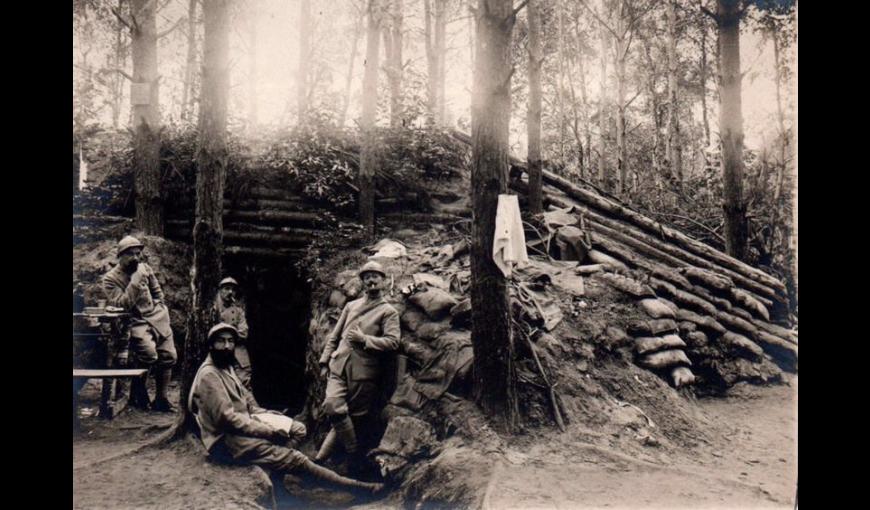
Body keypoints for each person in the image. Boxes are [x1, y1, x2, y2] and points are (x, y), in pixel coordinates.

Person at [189, 323, 383, 495]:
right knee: (296, 457)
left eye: (231, 341)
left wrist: (267, 415)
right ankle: (361, 488)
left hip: (243, 427)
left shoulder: (225, 366)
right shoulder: (209, 375)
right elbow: (228, 419)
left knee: (298, 429)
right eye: (221, 341)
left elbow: (245, 402)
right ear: (211, 345)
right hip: (225, 441)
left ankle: (280, 472)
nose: (227, 346)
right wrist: (266, 430)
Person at [316, 261, 400, 462]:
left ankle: (325, 458)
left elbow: (393, 342)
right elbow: (334, 336)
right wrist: (324, 361)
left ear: (383, 280)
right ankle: (353, 453)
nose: (371, 280)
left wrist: (365, 340)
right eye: (367, 277)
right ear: (362, 282)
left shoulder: (388, 311)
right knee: (333, 406)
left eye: (375, 276)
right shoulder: (351, 306)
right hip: (339, 365)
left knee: (354, 416)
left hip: (363, 372)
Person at [101, 236, 177, 412]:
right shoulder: (110, 279)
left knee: (169, 357)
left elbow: (157, 290)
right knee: (149, 355)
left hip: (157, 316)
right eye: (130, 254)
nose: (135, 258)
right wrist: (135, 281)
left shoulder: (145, 268)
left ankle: (161, 399)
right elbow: (121, 304)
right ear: (120, 256)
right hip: (134, 321)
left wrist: (160, 304)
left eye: (137, 253)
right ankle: (139, 395)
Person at [213, 277, 252, 390]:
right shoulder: (213, 310)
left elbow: (244, 333)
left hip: (238, 352)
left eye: (233, 289)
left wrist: (224, 332)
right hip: (220, 351)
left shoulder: (239, 311)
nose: (230, 292)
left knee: (244, 383)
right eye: (227, 288)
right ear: (220, 290)